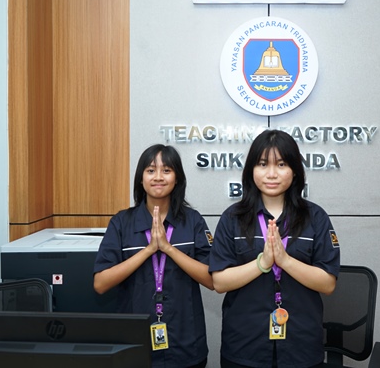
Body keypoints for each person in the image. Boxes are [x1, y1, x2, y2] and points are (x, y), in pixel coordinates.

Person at [209, 129, 341, 368]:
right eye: (262, 164)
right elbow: (219, 282)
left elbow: (328, 284)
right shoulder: (233, 218)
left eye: (281, 164)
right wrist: (263, 263)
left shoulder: (315, 217)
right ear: (251, 170)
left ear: (294, 170)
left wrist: (285, 260)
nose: (271, 174)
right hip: (244, 346)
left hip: (301, 347)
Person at [94, 144, 213, 368]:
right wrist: (148, 250)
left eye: (166, 170)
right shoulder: (121, 222)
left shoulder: (193, 220)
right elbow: (100, 283)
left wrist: (168, 248)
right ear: (141, 179)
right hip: (134, 344)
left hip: (186, 341)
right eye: (150, 170)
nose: (158, 177)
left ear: (177, 178)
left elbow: (212, 279)